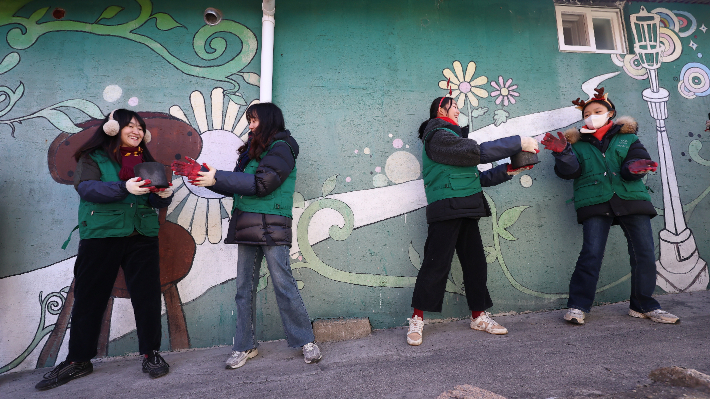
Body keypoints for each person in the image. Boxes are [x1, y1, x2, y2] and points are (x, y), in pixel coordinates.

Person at [172, 102, 321, 369]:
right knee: (243, 290)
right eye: (249, 121)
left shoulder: (282, 148)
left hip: (272, 224)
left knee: (284, 286)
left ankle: (306, 341)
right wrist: (209, 177)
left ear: (268, 120)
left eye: (254, 120)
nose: (250, 125)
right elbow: (241, 187)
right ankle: (244, 346)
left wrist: (217, 176)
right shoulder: (252, 152)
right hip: (247, 224)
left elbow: (262, 184)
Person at [36, 109, 174, 391]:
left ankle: (150, 353)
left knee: (147, 297)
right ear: (113, 128)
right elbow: (88, 190)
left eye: (139, 127)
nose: (136, 131)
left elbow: (154, 201)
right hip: (102, 234)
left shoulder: (147, 162)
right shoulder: (94, 157)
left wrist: (162, 196)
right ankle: (78, 360)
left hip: (142, 234)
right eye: (129, 126)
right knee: (90, 297)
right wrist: (124, 187)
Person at [407, 96, 539, 346]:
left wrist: (510, 170)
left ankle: (479, 316)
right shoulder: (437, 135)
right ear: (440, 110)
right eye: (453, 106)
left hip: (468, 206)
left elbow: (477, 178)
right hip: (446, 207)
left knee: (476, 264)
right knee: (436, 264)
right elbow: (476, 152)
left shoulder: (455, 141)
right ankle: (417, 318)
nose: (458, 111)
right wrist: (518, 143)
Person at [541, 87, 680, 325]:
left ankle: (643, 305)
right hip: (594, 201)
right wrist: (563, 154)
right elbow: (570, 172)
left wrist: (634, 168)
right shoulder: (577, 144)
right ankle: (578, 306)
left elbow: (636, 160)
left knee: (644, 253)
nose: (591, 115)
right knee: (591, 253)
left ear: (610, 113)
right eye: (586, 113)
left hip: (631, 199)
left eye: (597, 111)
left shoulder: (628, 138)